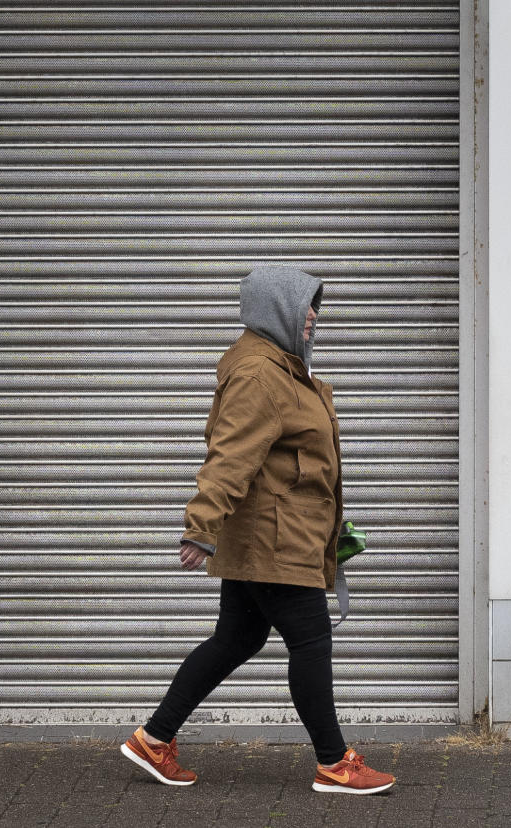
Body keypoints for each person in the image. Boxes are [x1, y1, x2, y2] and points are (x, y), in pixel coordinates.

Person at [120, 266, 395, 795]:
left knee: (237, 638)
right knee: (311, 641)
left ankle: (154, 739)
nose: (315, 317)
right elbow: (230, 455)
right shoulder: (259, 375)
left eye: (317, 306)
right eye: (306, 306)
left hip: (279, 530)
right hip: (275, 539)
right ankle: (335, 762)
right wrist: (200, 526)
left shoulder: (282, 368)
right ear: (278, 309)